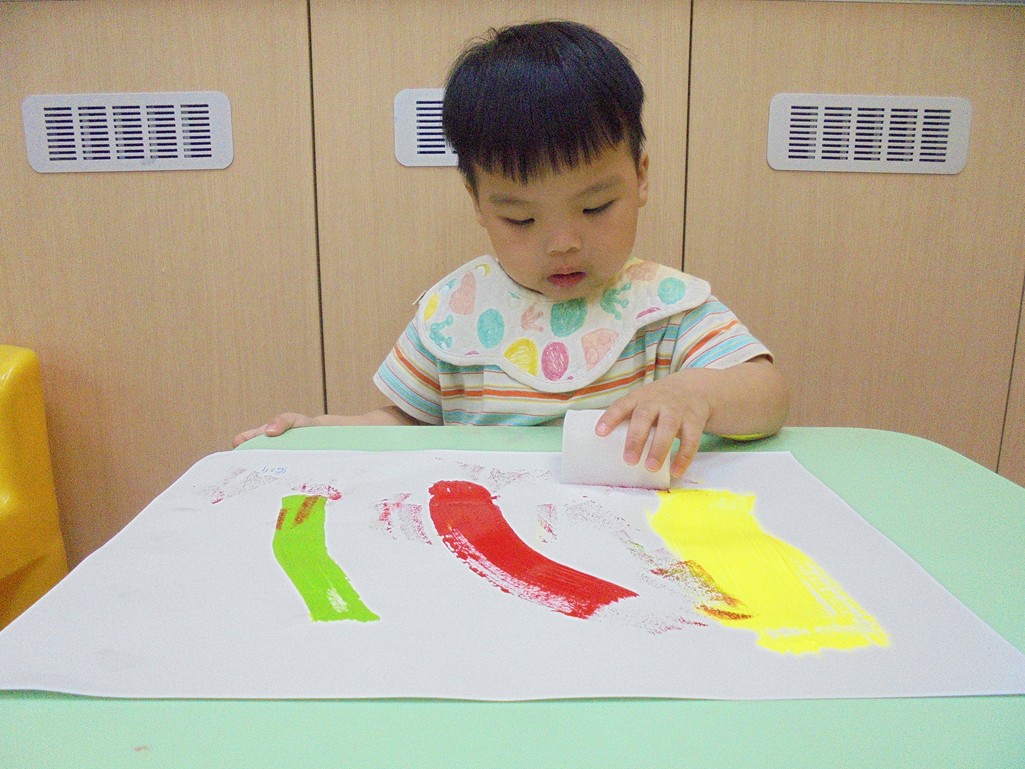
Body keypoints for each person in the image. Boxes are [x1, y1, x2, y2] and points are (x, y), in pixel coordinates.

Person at [234, 20, 788, 477]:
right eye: (520, 218)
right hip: (487, 532)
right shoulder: (458, 311)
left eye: (595, 207)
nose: (563, 244)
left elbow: (768, 394)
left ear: (641, 177)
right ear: (477, 203)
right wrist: (318, 432)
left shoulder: (665, 310)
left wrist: (695, 394)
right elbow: (405, 425)